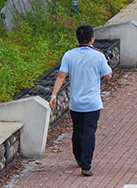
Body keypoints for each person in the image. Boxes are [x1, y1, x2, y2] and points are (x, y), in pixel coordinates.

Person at [48, 24, 113, 176]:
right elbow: (108, 75)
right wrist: (106, 61)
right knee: (89, 133)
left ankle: (78, 157)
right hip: (93, 103)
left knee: (77, 131)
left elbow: (61, 76)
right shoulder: (98, 56)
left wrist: (54, 95)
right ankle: (86, 165)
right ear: (92, 39)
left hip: (75, 103)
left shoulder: (69, 55)